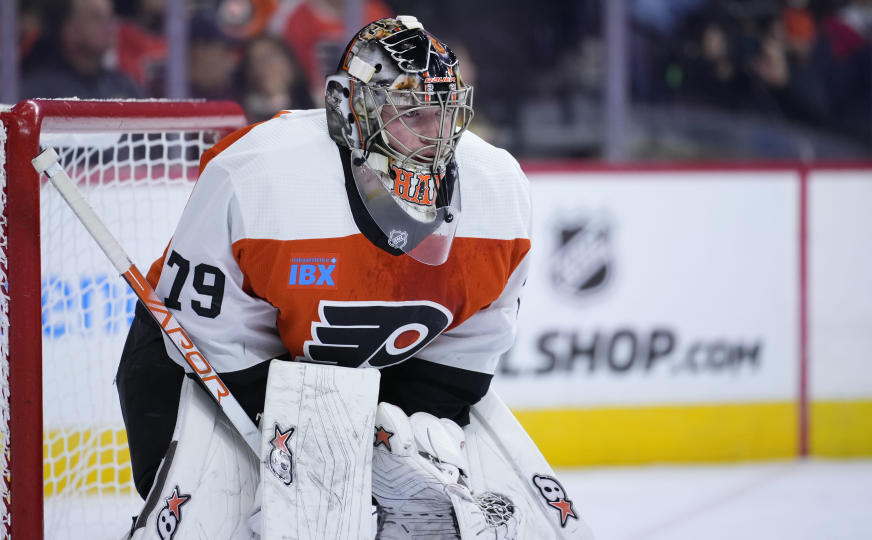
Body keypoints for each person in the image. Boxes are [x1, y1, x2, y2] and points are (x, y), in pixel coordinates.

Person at [118, 15, 591, 539]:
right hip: (197, 373)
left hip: (369, 376)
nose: (432, 133)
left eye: (443, 111)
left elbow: (468, 347)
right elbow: (213, 351)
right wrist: (305, 471)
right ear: (349, 109)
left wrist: (393, 454)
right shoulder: (256, 177)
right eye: (408, 111)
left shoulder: (499, 189)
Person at [21, 0, 142, 99]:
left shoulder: (123, 85)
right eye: (96, 17)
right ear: (68, 29)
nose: (109, 25)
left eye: (110, 16)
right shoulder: (39, 93)